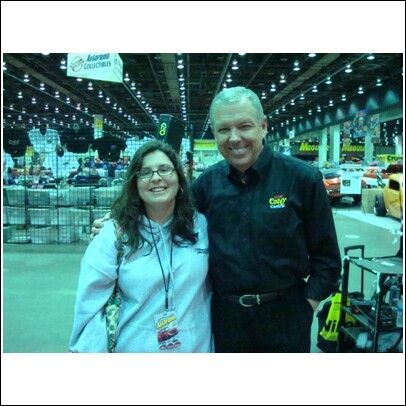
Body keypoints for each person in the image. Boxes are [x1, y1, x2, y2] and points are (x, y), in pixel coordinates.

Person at [92, 87, 341, 352]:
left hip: (286, 316)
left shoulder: (302, 179)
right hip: (225, 320)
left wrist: (306, 306)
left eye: (244, 126)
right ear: (214, 133)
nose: (235, 138)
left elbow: (327, 260)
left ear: (263, 126)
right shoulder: (206, 186)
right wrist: (118, 221)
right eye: (224, 130)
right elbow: (165, 214)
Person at [70, 140, 213, 352]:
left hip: (196, 348)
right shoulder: (113, 235)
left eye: (164, 169)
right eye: (145, 173)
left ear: (179, 178)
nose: (156, 178)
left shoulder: (200, 226)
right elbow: (88, 307)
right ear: (135, 183)